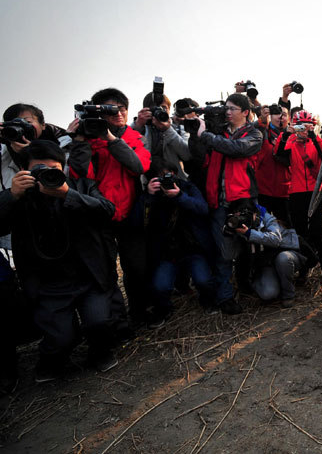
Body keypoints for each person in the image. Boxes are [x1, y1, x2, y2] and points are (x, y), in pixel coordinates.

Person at [0, 140, 118, 381]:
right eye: (38, 170)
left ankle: (100, 352)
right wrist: (11, 196)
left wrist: (68, 194)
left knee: (99, 322)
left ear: (63, 169)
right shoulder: (17, 195)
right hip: (48, 283)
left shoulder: (81, 185)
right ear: (25, 171)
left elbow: (107, 210)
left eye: (52, 169)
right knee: (61, 336)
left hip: (88, 276)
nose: (45, 175)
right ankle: (52, 360)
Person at [67, 88, 151, 334]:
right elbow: (79, 175)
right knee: (105, 273)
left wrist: (111, 139)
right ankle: (117, 323)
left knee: (136, 269)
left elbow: (138, 167)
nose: (118, 114)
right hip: (98, 215)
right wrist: (79, 141)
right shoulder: (87, 140)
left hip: (131, 214)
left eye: (122, 109)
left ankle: (138, 314)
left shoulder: (135, 138)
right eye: (110, 110)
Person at [189, 93, 263, 315]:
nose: (227, 113)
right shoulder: (217, 133)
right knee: (223, 253)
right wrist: (196, 134)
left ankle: (248, 286)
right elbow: (198, 157)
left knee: (247, 249)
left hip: (242, 202)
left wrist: (207, 136)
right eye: (226, 109)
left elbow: (237, 149)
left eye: (232, 109)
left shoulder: (254, 134)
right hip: (218, 202)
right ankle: (224, 297)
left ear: (245, 112)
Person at [132, 159, 217, 327]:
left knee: (204, 281)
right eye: (159, 179)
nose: (164, 182)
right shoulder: (149, 196)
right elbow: (136, 223)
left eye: (167, 176)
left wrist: (180, 197)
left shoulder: (186, 187)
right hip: (167, 254)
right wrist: (148, 197)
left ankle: (207, 301)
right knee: (160, 287)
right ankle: (164, 310)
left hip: (192, 249)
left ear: (175, 173)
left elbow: (203, 209)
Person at [275, 109, 322, 279]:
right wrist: (286, 134)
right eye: (299, 126)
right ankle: (305, 267)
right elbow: (278, 153)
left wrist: (313, 137)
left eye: (307, 126)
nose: (303, 130)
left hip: (316, 192)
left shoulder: (317, 141)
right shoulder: (291, 141)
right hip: (296, 193)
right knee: (300, 232)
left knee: (320, 232)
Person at [234, 201, 313, 308]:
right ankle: (274, 281)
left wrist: (249, 234)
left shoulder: (268, 219)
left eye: (247, 215)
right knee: (268, 293)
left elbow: (275, 239)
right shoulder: (239, 227)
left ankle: (288, 294)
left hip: (288, 254)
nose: (244, 219)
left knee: (283, 259)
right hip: (268, 263)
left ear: (255, 213)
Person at [131, 91, 192, 180]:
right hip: (148, 183)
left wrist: (168, 130)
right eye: (155, 108)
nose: (160, 111)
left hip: (177, 181)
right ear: (146, 110)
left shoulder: (179, 128)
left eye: (164, 107)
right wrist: (138, 126)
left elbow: (187, 155)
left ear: (169, 109)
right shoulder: (140, 128)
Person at [255, 103, 292, 225]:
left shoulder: (294, 136)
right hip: (263, 190)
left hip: (285, 191)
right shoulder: (262, 132)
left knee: (285, 228)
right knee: (264, 229)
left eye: (284, 115)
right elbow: (252, 128)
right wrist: (261, 119)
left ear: (289, 118)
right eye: (276, 113)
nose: (280, 117)